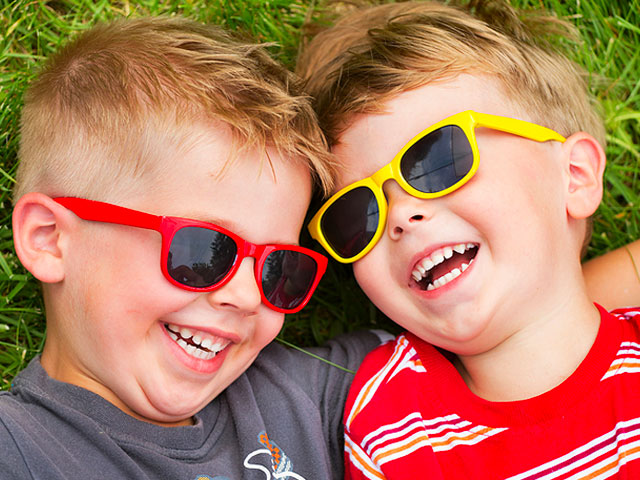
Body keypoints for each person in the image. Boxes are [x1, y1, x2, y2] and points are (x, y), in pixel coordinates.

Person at [1, 16, 385, 479]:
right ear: (49, 239)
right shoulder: (18, 447)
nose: (246, 298)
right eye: (207, 250)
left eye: (279, 267)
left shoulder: (311, 395)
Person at [298, 1, 640, 477]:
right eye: (357, 212)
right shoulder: (392, 424)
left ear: (575, 176)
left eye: (437, 160)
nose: (400, 215)